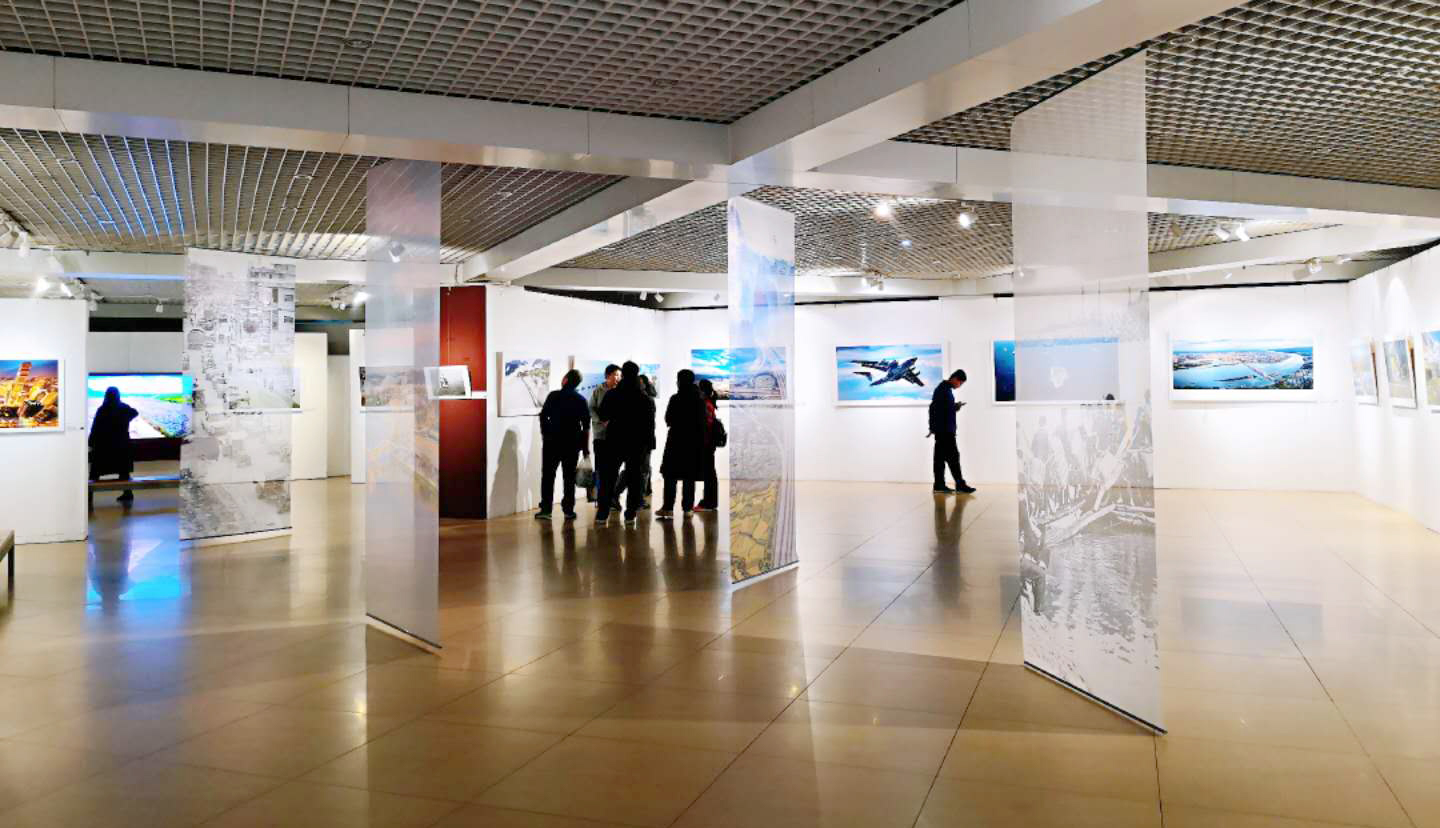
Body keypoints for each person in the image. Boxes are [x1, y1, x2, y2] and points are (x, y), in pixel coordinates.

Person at [597, 362, 656, 525]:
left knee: (608, 478)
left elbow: (602, 415)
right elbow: (650, 425)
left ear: (622, 374)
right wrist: (649, 445)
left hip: (614, 440)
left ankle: (602, 513)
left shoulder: (613, 394)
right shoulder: (645, 398)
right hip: (637, 444)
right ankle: (630, 514)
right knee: (635, 479)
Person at [536, 369, 590, 521]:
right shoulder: (581, 400)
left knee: (548, 476)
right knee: (569, 478)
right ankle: (568, 510)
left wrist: (546, 434)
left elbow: (543, 416)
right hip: (572, 444)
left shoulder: (553, 396)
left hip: (552, 442)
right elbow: (586, 427)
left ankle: (546, 509)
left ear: (565, 380)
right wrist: (585, 449)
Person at [657, 369, 709, 519]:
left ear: (679, 381)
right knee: (689, 477)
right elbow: (702, 423)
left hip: (675, 441)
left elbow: (668, 419)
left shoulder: (675, 398)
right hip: (693, 443)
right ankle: (687, 509)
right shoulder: (699, 400)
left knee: (670, 476)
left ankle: (668, 508)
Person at [613, 372, 659, 510]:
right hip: (641, 442)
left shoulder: (636, 398)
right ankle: (636, 499)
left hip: (631, 440)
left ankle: (619, 495)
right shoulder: (646, 400)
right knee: (641, 470)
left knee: (635, 470)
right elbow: (649, 424)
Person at [929, 369, 976, 495]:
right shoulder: (943, 390)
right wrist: (933, 427)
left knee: (939, 459)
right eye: (960, 383)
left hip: (942, 430)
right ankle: (960, 484)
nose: (959, 385)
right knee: (953, 457)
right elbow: (934, 409)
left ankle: (939, 485)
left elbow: (942, 409)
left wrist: (954, 407)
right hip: (945, 431)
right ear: (955, 378)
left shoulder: (944, 389)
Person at [89, 386, 139, 503]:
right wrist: (126, 419)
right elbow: (135, 412)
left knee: (95, 473)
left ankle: (89, 498)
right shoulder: (124, 407)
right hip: (122, 446)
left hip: (104, 447)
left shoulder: (103, 409)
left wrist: (91, 442)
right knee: (124, 472)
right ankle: (127, 493)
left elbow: (95, 428)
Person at [588, 364, 620, 508]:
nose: (618, 378)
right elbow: (591, 409)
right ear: (608, 376)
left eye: (619, 375)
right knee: (600, 467)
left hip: (616, 436)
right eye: (616, 375)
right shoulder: (598, 391)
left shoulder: (620, 392)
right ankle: (600, 499)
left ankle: (613, 497)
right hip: (600, 435)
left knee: (613, 469)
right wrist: (601, 421)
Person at [694, 378, 720, 512]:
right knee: (710, 473)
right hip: (709, 443)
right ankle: (710, 502)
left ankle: (708, 503)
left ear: (702, 390)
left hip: (707, 443)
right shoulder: (709, 403)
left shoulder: (705, 404)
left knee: (709, 474)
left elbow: (706, 426)